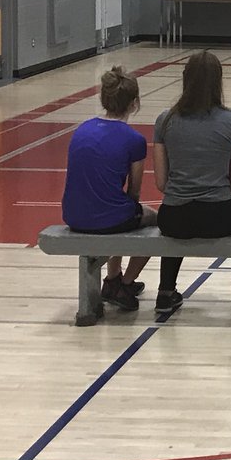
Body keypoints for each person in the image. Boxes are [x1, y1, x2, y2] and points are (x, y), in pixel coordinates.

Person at [153, 50, 231, 313]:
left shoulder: (165, 120)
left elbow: (161, 182)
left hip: (175, 217)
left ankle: (165, 291)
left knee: (174, 209)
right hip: (218, 216)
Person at [61, 66, 157, 311]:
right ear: (134, 103)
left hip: (73, 214)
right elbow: (134, 193)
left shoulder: (81, 129)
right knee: (155, 220)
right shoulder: (134, 139)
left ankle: (112, 277)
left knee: (123, 210)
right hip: (107, 217)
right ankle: (125, 283)